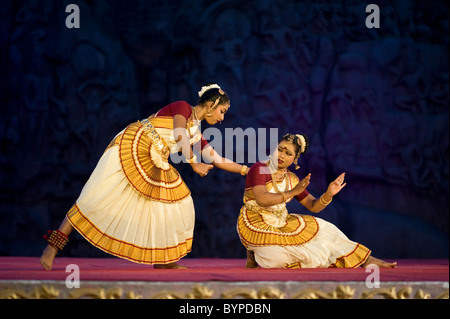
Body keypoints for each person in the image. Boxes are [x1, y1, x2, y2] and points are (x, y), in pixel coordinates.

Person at [40, 83, 249, 270]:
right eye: (222, 111)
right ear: (211, 104)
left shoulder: (196, 131)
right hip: (134, 146)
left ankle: (164, 260)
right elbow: (178, 133)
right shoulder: (183, 107)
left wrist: (246, 170)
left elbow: (217, 159)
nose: (222, 118)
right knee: (96, 197)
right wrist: (193, 162)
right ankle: (52, 246)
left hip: (156, 158)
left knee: (177, 204)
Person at [237, 133, 397, 269]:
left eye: (288, 153)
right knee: (274, 259)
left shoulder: (291, 179)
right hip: (256, 222)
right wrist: (292, 192)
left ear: (295, 159)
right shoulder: (259, 168)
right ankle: (255, 251)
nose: (281, 155)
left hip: (281, 223)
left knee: (328, 230)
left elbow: (313, 206)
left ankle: (366, 260)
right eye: (279, 149)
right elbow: (262, 199)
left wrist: (328, 194)